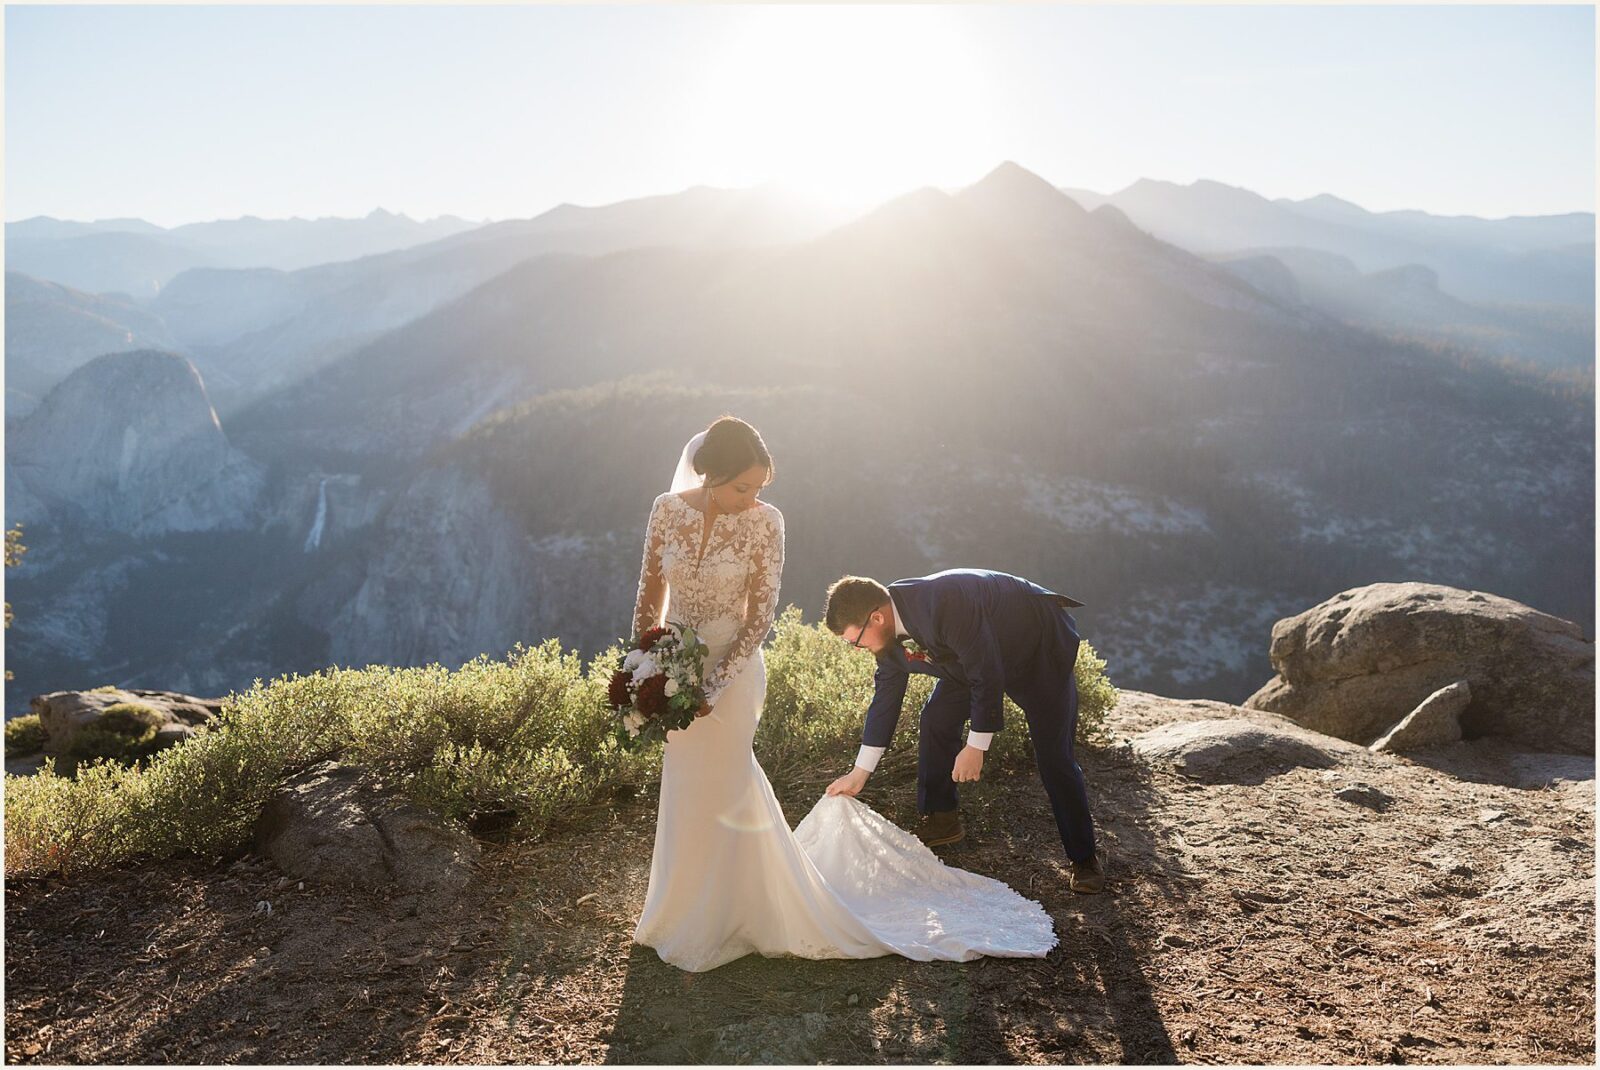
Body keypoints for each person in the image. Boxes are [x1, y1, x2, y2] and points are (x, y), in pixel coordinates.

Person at [629, 416, 1058, 972]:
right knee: (686, 782)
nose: (752, 498)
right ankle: (681, 910)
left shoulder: (767, 523)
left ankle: (743, 912)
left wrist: (712, 684)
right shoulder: (666, 509)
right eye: (742, 487)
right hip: (674, 670)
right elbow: (649, 593)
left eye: (760, 488)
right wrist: (648, 666)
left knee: (730, 777)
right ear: (710, 474)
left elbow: (760, 616)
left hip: (733, 676)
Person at [822, 570, 1106, 894]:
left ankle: (1084, 859)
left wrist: (976, 745)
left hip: (1035, 648)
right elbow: (885, 701)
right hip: (970, 661)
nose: (856, 649)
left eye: (854, 641)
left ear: (876, 618)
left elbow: (986, 672)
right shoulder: (886, 639)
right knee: (936, 719)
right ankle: (942, 818)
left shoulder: (945, 603)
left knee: (1054, 757)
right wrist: (859, 773)